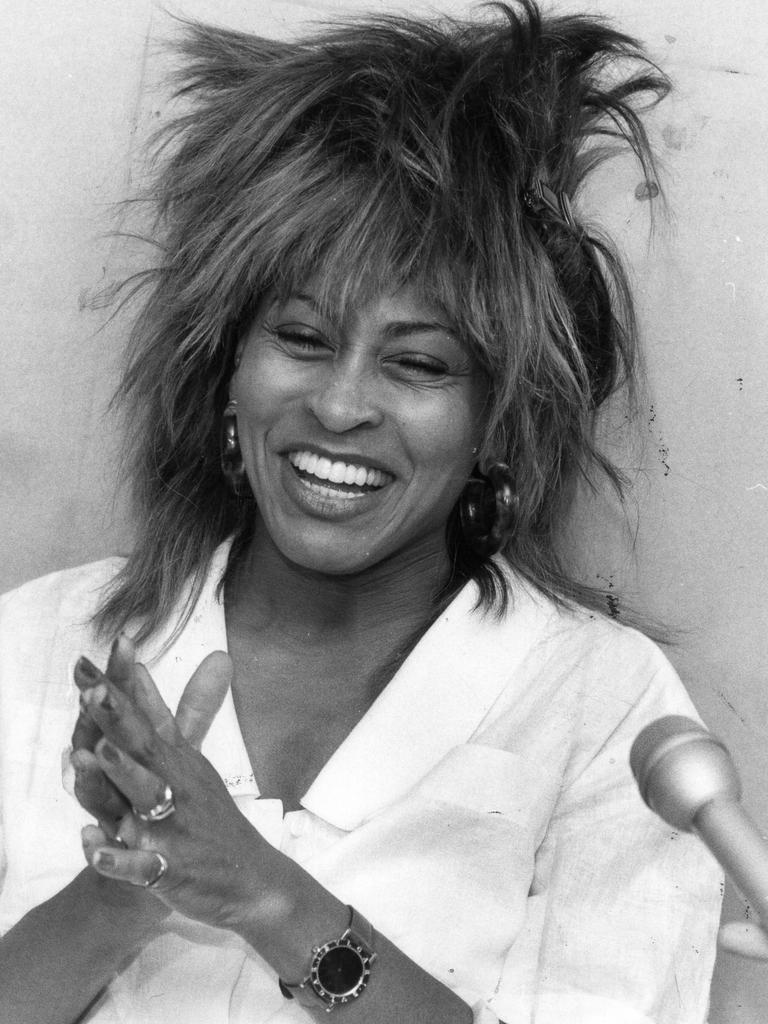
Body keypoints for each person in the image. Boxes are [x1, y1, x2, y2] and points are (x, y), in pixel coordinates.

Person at [0, 2, 722, 1021]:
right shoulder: (36, 647)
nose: (340, 406)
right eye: (301, 338)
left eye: (418, 363)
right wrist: (124, 893)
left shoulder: (604, 707)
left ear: (499, 422)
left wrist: (267, 895)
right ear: (225, 370)